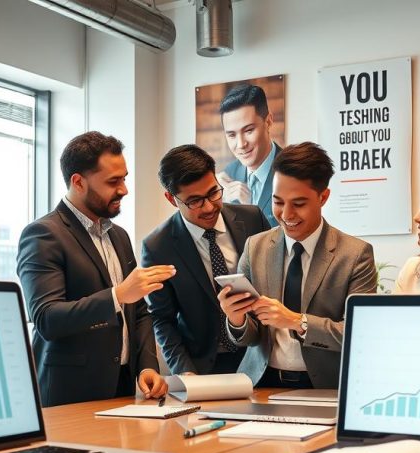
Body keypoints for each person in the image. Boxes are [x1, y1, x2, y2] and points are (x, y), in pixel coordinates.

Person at [17, 131, 174, 406]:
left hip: (123, 389)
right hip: (69, 397)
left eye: (124, 178)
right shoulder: (43, 234)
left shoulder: (119, 235)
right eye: (113, 181)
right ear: (78, 182)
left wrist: (147, 366)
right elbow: (46, 318)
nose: (124, 189)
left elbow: (139, 312)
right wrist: (117, 296)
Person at [218, 142, 378, 389]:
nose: (286, 215)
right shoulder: (255, 247)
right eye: (278, 202)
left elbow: (360, 334)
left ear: (323, 197)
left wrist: (297, 321)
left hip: (324, 386)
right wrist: (236, 319)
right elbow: (251, 336)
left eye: (299, 204)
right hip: (261, 383)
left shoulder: (356, 255)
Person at [142, 145, 270, 376]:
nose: (209, 207)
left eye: (213, 192)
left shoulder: (253, 219)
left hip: (259, 357)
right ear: (171, 198)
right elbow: (162, 320)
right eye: (195, 201)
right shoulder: (157, 247)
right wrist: (184, 371)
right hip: (203, 368)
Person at [218, 84, 281, 228]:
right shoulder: (228, 173)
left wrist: (249, 211)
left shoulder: (294, 173)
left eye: (249, 130)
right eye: (232, 135)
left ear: (268, 121)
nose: (241, 144)